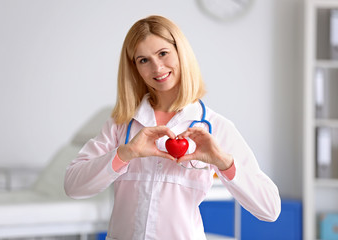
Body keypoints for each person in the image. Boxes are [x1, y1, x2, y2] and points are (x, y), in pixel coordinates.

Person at [64, 15, 281, 240]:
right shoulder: (122, 124)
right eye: (143, 60)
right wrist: (125, 153)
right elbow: (73, 185)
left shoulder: (214, 126)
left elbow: (270, 208)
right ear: (134, 68)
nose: (157, 67)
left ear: (180, 53)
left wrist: (222, 161)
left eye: (163, 53)